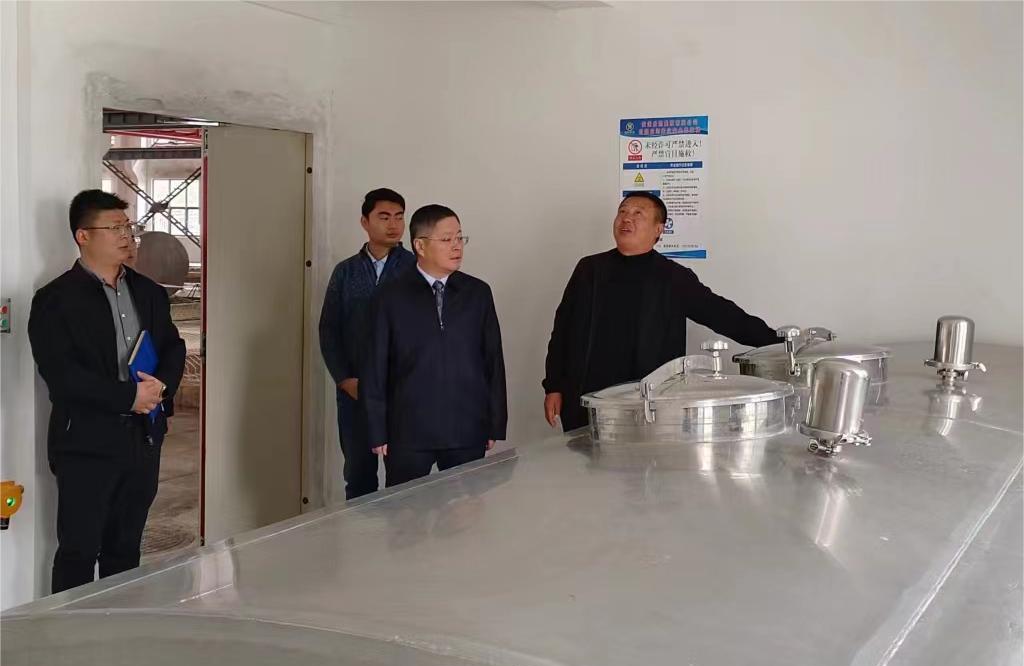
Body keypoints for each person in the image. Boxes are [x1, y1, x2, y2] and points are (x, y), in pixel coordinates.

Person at [27, 190, 186, 593]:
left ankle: (119, 622)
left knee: (125, 548)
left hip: (143, 438)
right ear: (83, 236)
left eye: (127, 227)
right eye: (114, 228)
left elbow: (173, 347)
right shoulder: (55, 300)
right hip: (86, 443)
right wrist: (128, 398)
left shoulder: (148, 292)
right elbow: (62, 376)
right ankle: (71, 628)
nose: (126, 236)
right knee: (79, 550)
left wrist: (161, 387)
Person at [543, 192, 780, 431]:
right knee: (582, 454)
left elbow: (723, 315)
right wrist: (553, 386)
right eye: (622, 211)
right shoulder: (589, 270)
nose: (626, 218)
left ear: (659, 229)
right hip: (588, 400)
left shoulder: (673, 277)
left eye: (638, 213)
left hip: (650, 404)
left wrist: (776, 343)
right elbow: (562, 330)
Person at [361, 204, 507, 487]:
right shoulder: (390, 296)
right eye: (447, 239)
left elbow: (493, 360)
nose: (457, 246)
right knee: (406, 511)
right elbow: (375, 367)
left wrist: (494, 422)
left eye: (460, 238)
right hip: (408, 431)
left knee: (467, 508)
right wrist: (377, 430)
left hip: (467, 427)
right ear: (420, 245)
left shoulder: (477, 293)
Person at [320, 188, 416, 499]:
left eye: (399, 217)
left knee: (404, 479)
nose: (393, 224)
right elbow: (329, 330)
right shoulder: (346, 272)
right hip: (356, 391)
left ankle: (401, 530)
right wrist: (344, 378)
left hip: (402, 393)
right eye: (384, 217)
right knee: (359, 476)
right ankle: (362, 530)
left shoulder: (415, 269)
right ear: (365, 221)